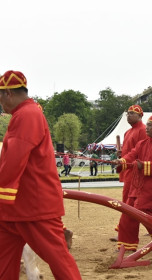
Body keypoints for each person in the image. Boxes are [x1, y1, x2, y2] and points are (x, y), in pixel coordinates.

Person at [0, 70, 81, 279]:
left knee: (58, 259)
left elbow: (14, 159)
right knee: (4, 261)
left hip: (34, 206)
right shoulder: (26, 113)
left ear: (8, 93)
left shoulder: (27, 114)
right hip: (16, 207)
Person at [114, 114, 152, 252]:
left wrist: (144, 165)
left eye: (150, 125)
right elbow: (131, 155)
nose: (146, 127)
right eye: (147, 125)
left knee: (138, 212)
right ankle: (127, 244)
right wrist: (122, 161)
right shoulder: (142, 144)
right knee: (128, 212)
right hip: (138, 186)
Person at [110, 105, 148, 241]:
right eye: (128, 114)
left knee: (128, 202)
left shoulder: (143, 130)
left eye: (132, 113)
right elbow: (130, 151)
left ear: (140, 115)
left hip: (135, 172)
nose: (129, 116)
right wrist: (121, 154)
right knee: (137, 203)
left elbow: (141, 152)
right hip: (127, 170)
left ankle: (123, 231)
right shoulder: (127, 132)